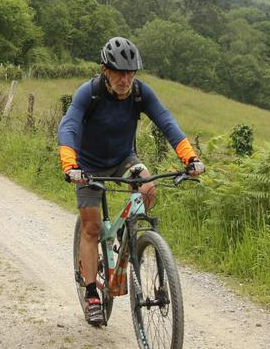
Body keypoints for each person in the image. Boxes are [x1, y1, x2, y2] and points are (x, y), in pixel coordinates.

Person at [56, 36, 205, 326]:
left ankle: (129, 241)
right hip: (87, 166)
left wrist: (190, 158)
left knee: (148, 188)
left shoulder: (140, 93)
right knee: (91, 227)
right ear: (105, 70)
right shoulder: (90, 93)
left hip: (124, 159)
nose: (125, 79)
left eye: (130, 72)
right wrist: (70, 164)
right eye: (119, 72)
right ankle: (92, 294)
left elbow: (166, 121)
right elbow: (70, 124)